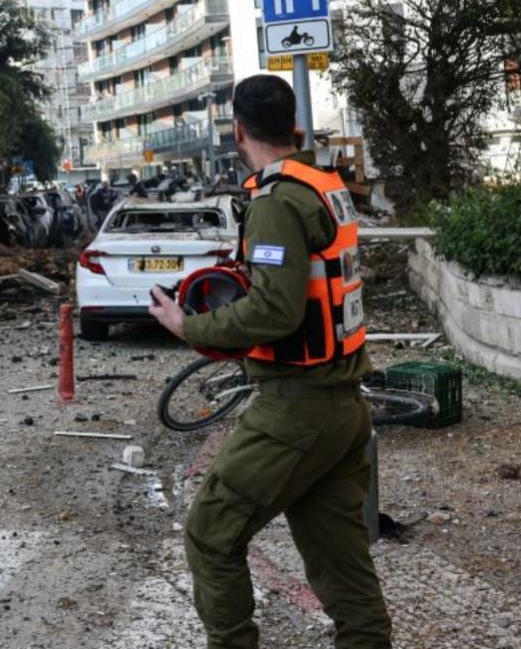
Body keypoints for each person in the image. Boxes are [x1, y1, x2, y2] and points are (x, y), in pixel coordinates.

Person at [148, 74, 391, 649]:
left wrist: (189, 326)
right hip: (341, 406)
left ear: (238, 131)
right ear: (294, 128)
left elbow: (275, 312)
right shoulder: (322, 183)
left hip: (296, 409)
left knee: (210, 534)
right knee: (340, 560)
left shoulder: (277, 200)